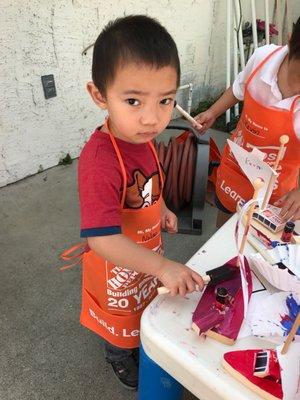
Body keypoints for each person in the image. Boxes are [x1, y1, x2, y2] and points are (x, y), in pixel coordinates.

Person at [78, 15, 204, 390]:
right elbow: (101, 239)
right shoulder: (100, 160)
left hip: (146, 251)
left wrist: (162, 207)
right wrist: (162, 266)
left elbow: (151, 182)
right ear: (99, 95)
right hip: (116, 264)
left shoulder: (142, 137)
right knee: (120, 321)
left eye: (165, 100)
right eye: (133, 100)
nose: (152, 118)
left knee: (144, 306)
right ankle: (119, 354)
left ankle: (139, 338)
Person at [195, 17, 300, 227]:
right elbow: (239, 88)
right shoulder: (263, 58)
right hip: (236, 165)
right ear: (289, 42)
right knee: (225, 223)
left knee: (257, 237)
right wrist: (213, 111)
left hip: (276, 186)